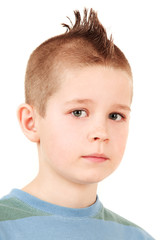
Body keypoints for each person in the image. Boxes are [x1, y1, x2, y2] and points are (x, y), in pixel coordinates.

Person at [0, 8, 155, 240]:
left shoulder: (136, 237)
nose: (101, 133)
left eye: (115, 116)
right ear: (31, 122)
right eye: (79, 112)